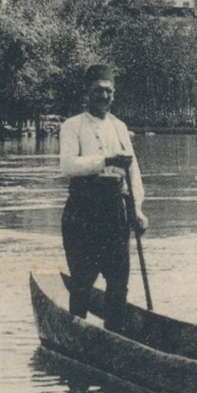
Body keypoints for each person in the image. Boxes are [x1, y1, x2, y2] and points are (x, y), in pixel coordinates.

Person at [59, 64, 148, 319]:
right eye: (98, 90)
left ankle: (116, 336)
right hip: (83, 212)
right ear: (87, 92)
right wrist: (105, 160)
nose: (104, 96)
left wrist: (138, 209)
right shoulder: (72, 126)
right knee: (82, 282)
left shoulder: (119, 127)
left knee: (118, 282)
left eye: (109, 91)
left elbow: (133, 172)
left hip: (114, 213)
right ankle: (77, 333)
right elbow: (67, 166)